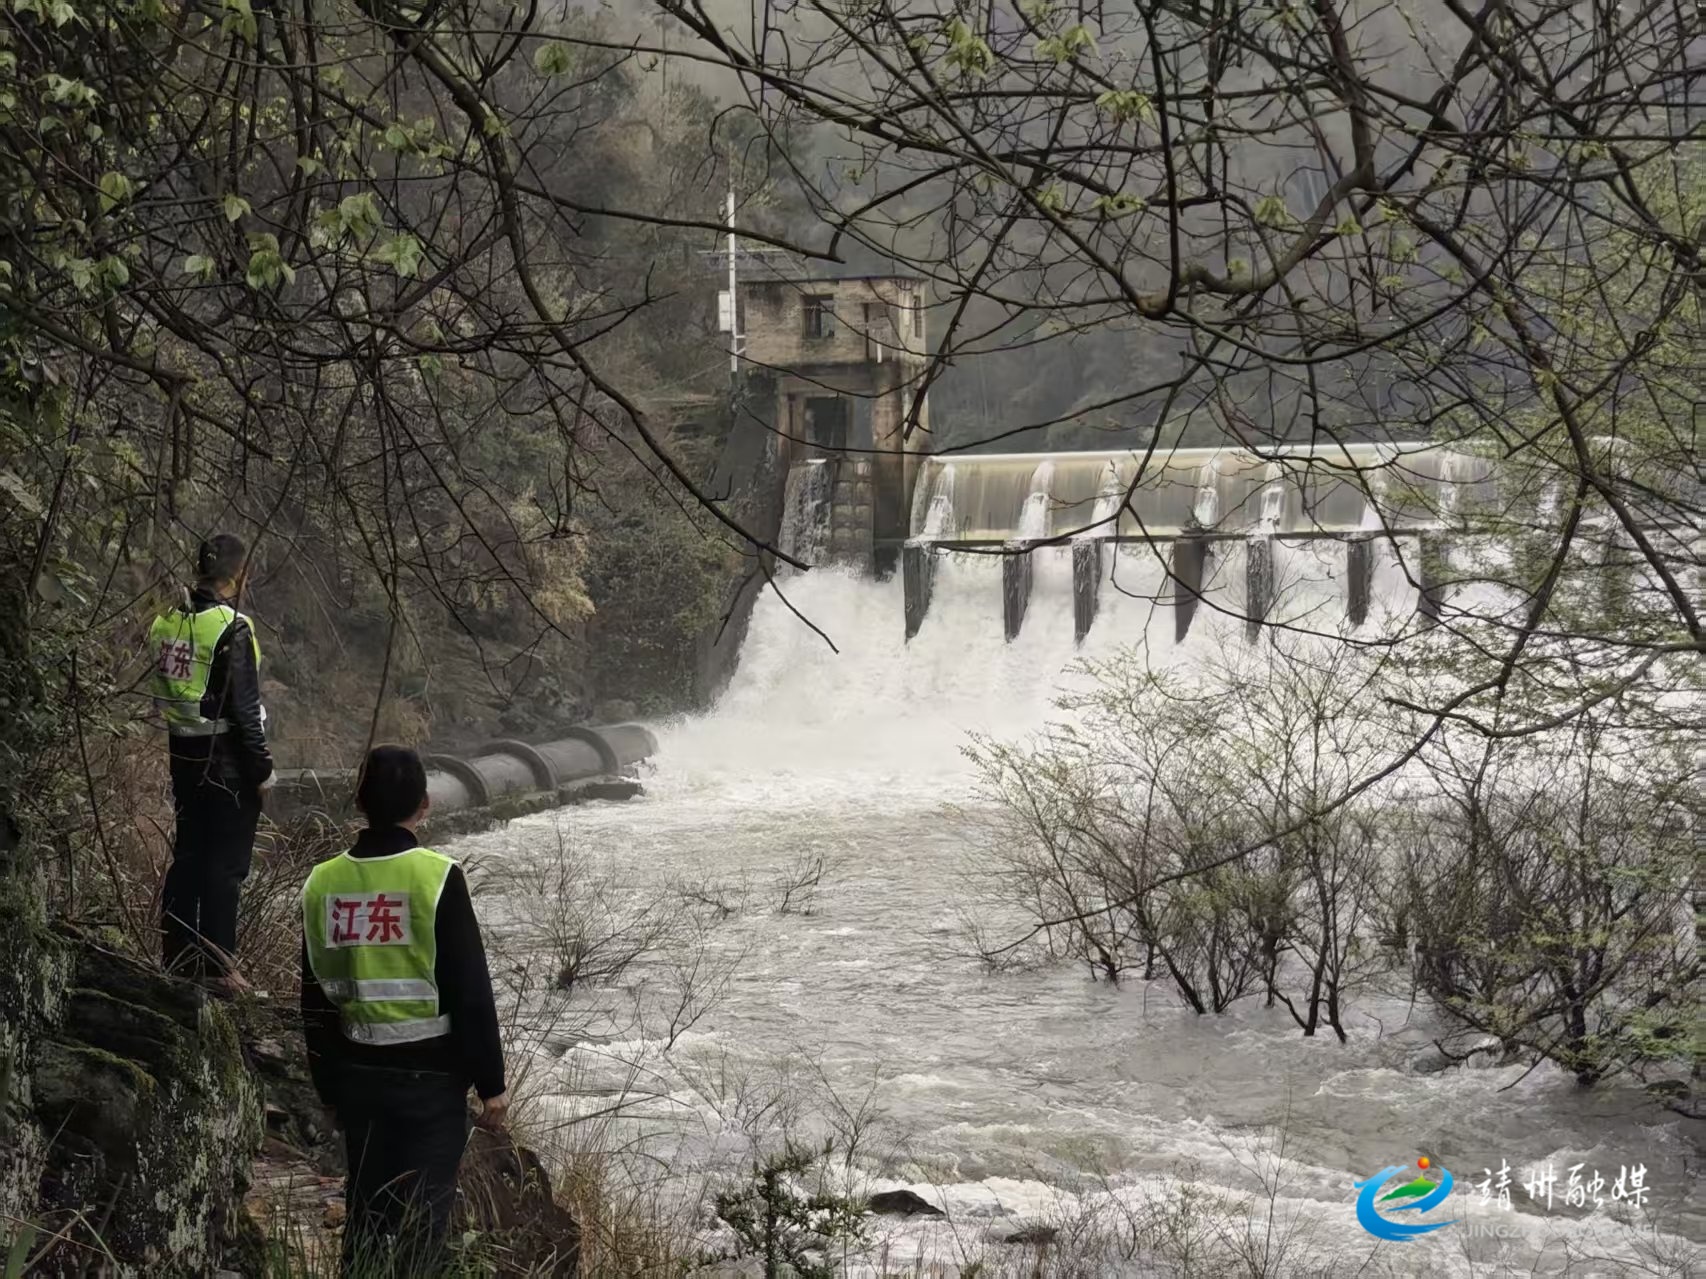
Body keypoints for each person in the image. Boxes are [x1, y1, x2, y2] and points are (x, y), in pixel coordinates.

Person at [301, 745, 507, 1276]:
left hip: (357, 1077)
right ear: (425, 804)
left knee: (367, 1216)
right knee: (422, 1226)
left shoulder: (323, 882)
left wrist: (327, 1088)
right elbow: (469, 988)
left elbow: (315, 999)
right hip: (430, 1081)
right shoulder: (437, 877)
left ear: (360, 802)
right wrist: (492, 1084)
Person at [149, 532, 273, 993]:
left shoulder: (166, 620)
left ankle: (178, 957)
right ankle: (221, 969)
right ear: (239, 573)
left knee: (188, 857)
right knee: (225, 868)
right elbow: (243, 710)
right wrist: (261, 771)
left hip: (182, 755)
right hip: (226, 763)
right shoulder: (231, 627)